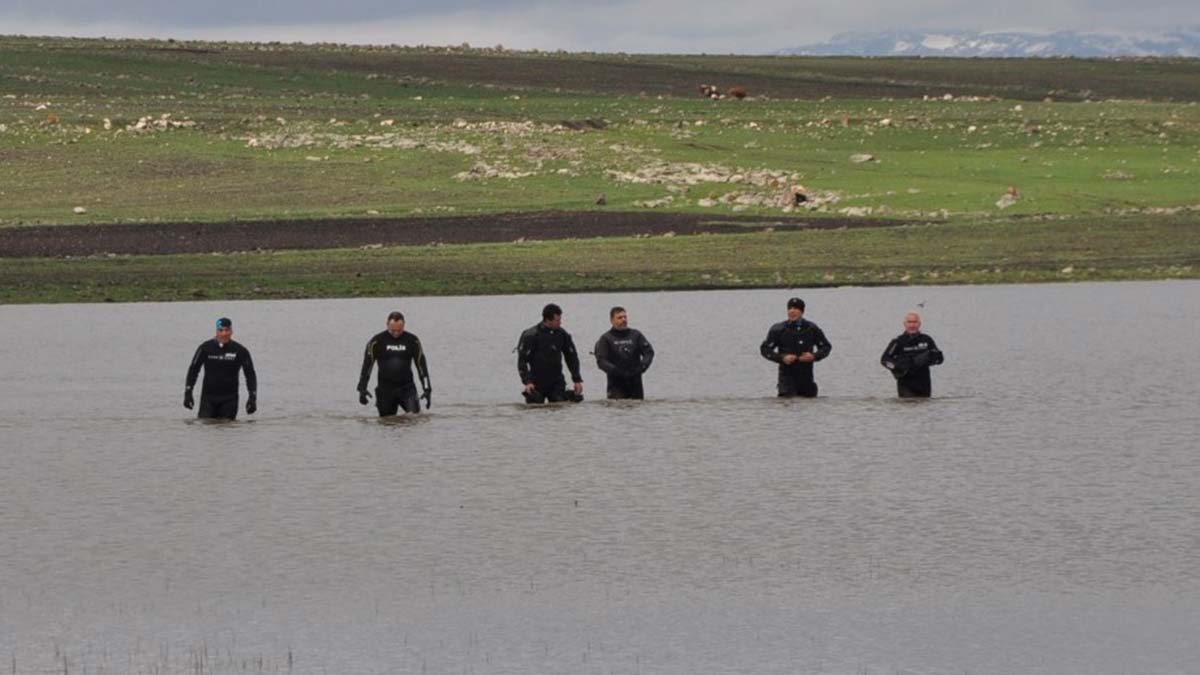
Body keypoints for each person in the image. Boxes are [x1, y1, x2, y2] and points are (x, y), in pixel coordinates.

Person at [357, 311, 431, 416]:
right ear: (387, 324)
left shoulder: (412, 340)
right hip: (385, 390)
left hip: (407, 389)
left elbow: (421, 366)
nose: (396, 333)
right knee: (386, 422)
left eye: (399, 330)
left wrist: (427, 389)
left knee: (415, 418)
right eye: (393, 330)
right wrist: (362, 388)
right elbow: (367, 366)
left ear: (404, 325)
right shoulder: (376, 341)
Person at [184, 317, 257, 419]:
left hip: (229, 399)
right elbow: (193, 370)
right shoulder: (205, 348)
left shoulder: (240, 350)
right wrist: (188, 393)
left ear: (231, 331)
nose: (224, 333)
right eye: (221, 330)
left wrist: (252, 397)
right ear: (216, 331)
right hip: (208, 399)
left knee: (227, 427)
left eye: (227, 330)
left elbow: (250, 375)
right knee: (204, 425)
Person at [760, 297, 832, 398]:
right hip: (787, 381)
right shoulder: (778, 329)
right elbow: (765, 349)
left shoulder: (811, 328)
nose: (792, 311)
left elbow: (826, 347)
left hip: (806, 380)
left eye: (796, 308)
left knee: (808, 404)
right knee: (787, 402)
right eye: (790, 308)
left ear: (802, 311)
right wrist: (782, 358)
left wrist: (814, 356)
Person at [517, 303, 583, 403]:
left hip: (556, 382)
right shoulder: (531, 335)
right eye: (557, 320)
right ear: (547, 320)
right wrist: (527, 382)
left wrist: (577, 380)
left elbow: (572, 357)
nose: (560, 323)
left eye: (560, 319)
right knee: (534, 408)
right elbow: (522, 361)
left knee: (561, 406)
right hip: (536, 382)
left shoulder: (562, 334)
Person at [594, 306, 655, 400]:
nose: (624, 320)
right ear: (612, 320)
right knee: (618, 406)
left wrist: (642, 366)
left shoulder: (636, 335)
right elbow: (601, 361)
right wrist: (615, 370)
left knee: (637, 407)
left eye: (625, 317)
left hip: (635, 381)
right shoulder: (606, 338)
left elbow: (649, 352)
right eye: (619, 318)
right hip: (616, 384)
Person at [880, 312, 944, 398]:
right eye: (909, 322)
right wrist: (898, 367)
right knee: (907, 404)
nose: (912, 325)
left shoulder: (927, 339)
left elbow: (939, 359)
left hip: (924, 382)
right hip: (906, 382)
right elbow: (884, 360)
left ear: (919, 324)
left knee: (925, 405)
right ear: (904, 324)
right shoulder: (898, 341)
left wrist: (931, 359)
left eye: (915, 322)